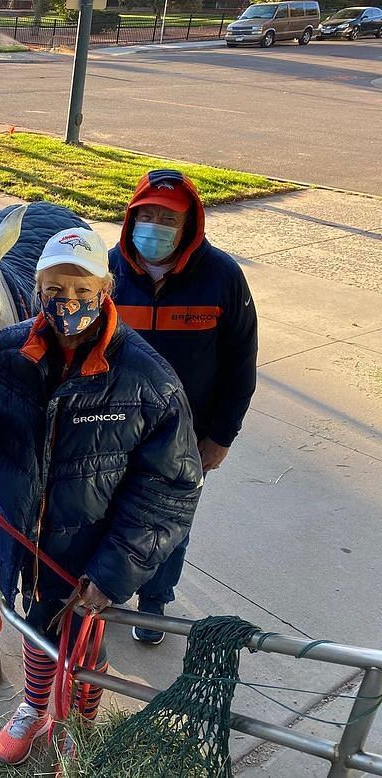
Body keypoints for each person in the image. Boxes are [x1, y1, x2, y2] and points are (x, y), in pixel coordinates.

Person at [0, 228, 203, 766]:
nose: (66, 303)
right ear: (36, 289)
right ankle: (33, 707)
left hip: (90, 558)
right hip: (27, 543)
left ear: (106, 288)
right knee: (35, 627)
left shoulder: (148, 380)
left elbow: (171, 487)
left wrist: (113, 573)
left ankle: (78, 720)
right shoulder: (6, 355)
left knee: (85, 645)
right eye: (54, 290)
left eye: (81, 291)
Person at [109, 169, 258, 645]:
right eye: (145, 215)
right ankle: (106, 591)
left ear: (190, 224)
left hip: (188, 439)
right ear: (130, 219)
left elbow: (241, 364)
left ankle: (153, 604)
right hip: (113, 433)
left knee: (168, 523)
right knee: (108, 517)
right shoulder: (107, 272)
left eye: (167, 218)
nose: (153, 227)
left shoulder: (223, 279)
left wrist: (221, 436)